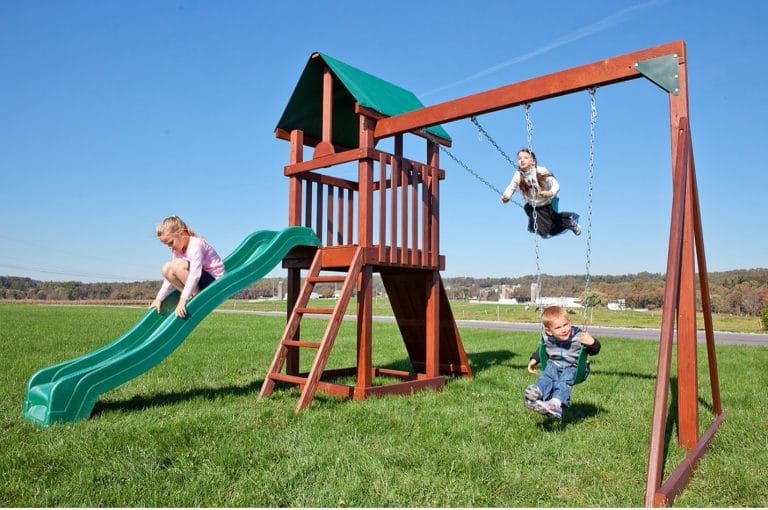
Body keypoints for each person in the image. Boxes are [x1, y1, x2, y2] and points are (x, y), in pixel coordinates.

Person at [524, 305, 601, 420]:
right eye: (558, 327)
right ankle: (537, 392)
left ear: (570, 323)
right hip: (555, 365)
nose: (564, 329)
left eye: (566, 324)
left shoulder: (579, 336)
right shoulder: (548, 338)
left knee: (565, 379)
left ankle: (555, 403)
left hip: (576, 368)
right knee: (547, 375)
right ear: (549, 331)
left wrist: (592, 342)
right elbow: (542, 349)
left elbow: (594, 350)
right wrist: (534, 360)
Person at [150, 215, 225, 318]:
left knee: (177, 265)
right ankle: (190, 295)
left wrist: (182, 300)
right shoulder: (178, 250)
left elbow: (195, 274)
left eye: (171, 242)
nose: (171, 247)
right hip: (199, 281)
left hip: (214, 282)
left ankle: (195, 295)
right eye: (168, 245)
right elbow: (169, 277)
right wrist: (159, 298)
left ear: (182, 233)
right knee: (166, 268)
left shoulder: (196, 245)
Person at [501, 148, 581, 238]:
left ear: (533, 161)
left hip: (550, 202)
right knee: (543, 231)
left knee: (552, 226)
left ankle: (570, 221)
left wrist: (550, 193)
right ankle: (564, 222)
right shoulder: (518, 175)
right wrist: (506, 195)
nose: (522, 160)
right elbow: (511, 187)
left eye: (526, 158)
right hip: (536, 206)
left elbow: (556, 184)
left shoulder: (540, 170)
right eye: (519, 159)